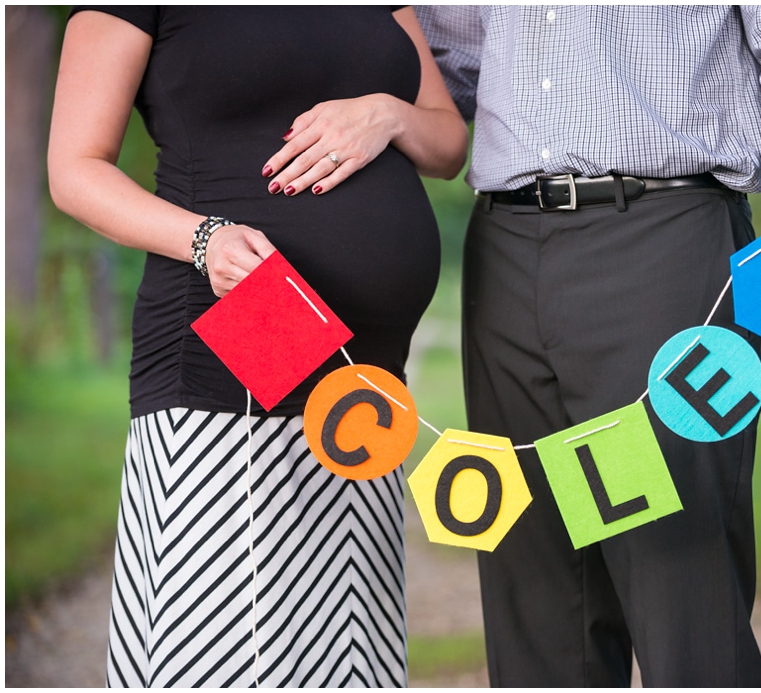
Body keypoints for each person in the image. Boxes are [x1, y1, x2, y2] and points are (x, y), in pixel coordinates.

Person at [412, 5, 761, 687]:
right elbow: (454, 58)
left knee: (677, 584)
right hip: (505, 251)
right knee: (538, 588)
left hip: (663, 239)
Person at [48, 6, 466, 687]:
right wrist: (202, 239)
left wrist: (388, 112)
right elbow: (74, 168)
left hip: (365, 385)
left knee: (343, 648)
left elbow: (448, 143)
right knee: (227, 645)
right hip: (234, 340)